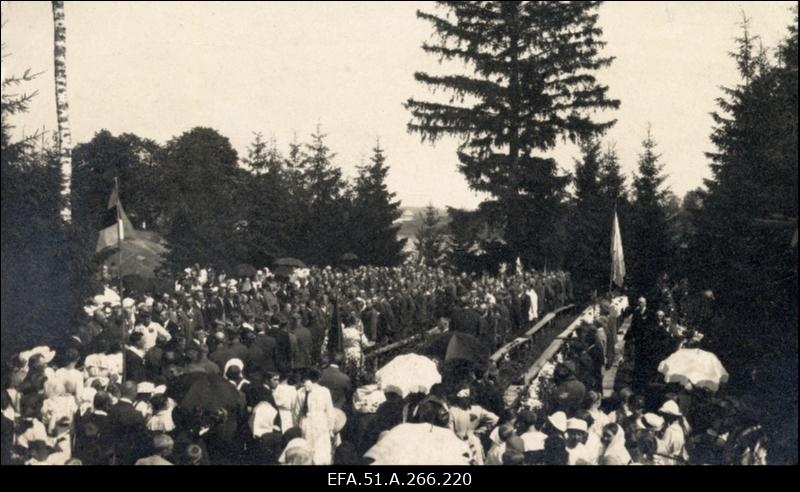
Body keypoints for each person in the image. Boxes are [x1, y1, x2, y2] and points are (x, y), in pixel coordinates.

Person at [293, 368, 336, 465]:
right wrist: (331, 428)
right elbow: (330, 411)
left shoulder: (300, 392)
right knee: (321, 447)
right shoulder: (324, 391)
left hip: (305, 421)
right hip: (321, 422)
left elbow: (296, 412)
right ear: (318, 379)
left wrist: (297, 424)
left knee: (307, 445)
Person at [655, 400, 689, 465]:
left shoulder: (670, 430)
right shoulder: (680, 427)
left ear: (670, 416)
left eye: (664, 414)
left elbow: (662, 450)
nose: (663, 416)